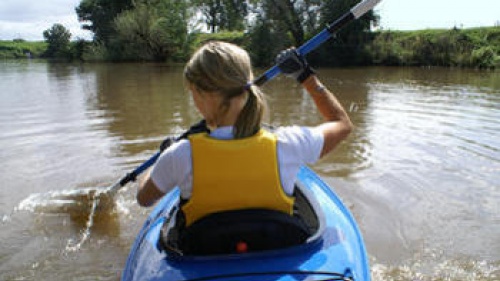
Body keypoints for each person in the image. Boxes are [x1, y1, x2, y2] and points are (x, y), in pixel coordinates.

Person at [137, 41, 352, 228]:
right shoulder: (288, 144)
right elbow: (341, 124)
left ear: (201, 94)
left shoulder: (179, 156)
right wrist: (305, 76)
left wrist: (164, 156)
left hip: (205, 253)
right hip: (274, 248)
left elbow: (144, 199)